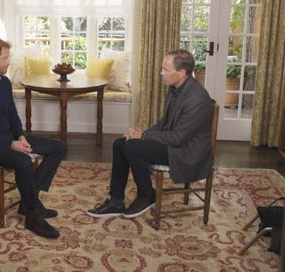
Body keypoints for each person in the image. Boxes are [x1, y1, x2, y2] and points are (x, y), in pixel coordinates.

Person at [87, 48, 213, 219]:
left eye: (166, 70)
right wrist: (140, 133)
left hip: (186, 152)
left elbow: (178, 138)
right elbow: (164, 123)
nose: (161, 73)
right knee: (120, 144)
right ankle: (116, 201)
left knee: (132, 148)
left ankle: (147, 195)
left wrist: (143, 136)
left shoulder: (196, 99)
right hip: (174, 144)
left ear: (181, 73)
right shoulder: (176, 88)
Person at [0, 37, 66, 239]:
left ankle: (28, 201)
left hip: (10, 138)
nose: (9, 62)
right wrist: (11, 144)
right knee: (23, 161)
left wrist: (20, 136)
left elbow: (12, 115)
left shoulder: (4, 83)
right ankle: (33, 215)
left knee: (58, 148)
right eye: (5, 58)